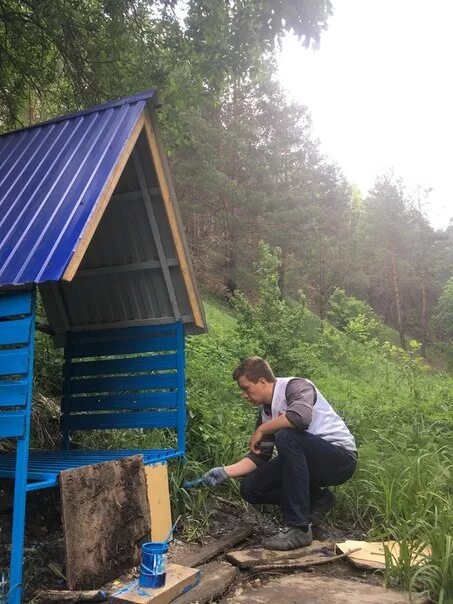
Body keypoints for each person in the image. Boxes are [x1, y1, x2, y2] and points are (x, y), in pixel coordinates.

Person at [203, 357, 357, 551]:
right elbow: (260, 456)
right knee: (251, 487)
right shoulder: (266, 413)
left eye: (246, 388)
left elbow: (300, 418)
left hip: (339, 459)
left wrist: (263, 429)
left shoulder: (296, 386)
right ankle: (317, 498)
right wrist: (225, 471)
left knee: (286, 436)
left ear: (262, 381)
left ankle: (299, 527)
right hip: (309, 460)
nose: (244, 394)